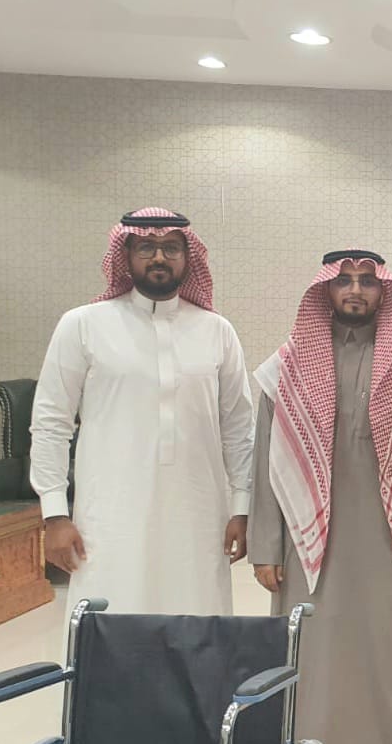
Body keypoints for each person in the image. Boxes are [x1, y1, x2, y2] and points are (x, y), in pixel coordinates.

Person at [248, 250, 392, 744]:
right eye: (344, 282)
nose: (355, 291)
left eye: (367, 282)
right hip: (308, 544)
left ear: (385, 292)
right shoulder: (286, 367)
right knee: (315, 656)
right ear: (324, 292)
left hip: (391, 542)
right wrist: (266, 546)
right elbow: (266, 461)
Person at [30, 207, 254, 615]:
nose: (159, 257)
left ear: (188, 258)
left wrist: (241, 506)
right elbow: (50, 424)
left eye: (171, 248)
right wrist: (55, 514)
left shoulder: (217, 331)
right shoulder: (82, 325)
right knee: (111, 618)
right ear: (126, 255)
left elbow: (239, 427)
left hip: (199, 515)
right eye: (146, 247)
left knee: (196, 620)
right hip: (109, 515)